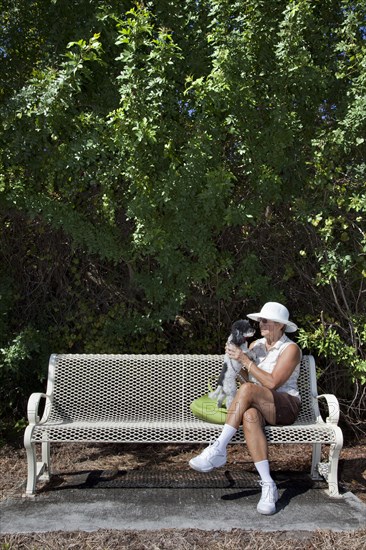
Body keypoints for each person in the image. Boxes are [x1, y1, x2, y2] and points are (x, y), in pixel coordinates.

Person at [189, 302, 302, 515]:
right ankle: (269, 485)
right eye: (260, 320)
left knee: (250, 390)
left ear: (280, 325)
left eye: (266, 320)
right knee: (249, 416)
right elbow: (244, 379)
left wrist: (245, 361)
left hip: (285, 405)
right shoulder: (256, 346)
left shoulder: (291, 349)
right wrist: (236, 360)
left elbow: (271, 383)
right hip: (259, 405)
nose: (261, 323)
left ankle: (219, 448)